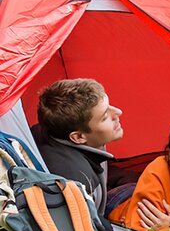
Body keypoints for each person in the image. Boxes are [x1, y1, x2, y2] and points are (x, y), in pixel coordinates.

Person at [31, 79, 123, 212]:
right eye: (104, 117)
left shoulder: (49, 128)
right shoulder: (78, 183)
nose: (118, 112)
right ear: (78, 137)